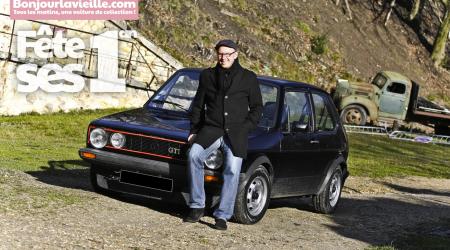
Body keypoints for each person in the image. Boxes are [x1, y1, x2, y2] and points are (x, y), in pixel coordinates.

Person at [184, 39, 263, 230]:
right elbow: (198, 105)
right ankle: (197, 206)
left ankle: (222, 215)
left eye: (228, 54)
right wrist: (194, 130)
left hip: (237, 134)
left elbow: (257, 107)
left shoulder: (248, 77)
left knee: (232, 170)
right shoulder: (207, 75)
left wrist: (246, 127)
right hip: (210, 129)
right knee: (193, 155)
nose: (223, 57)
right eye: (220, 54)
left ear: (235, 54)